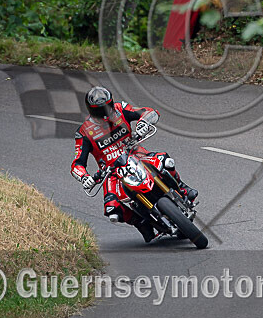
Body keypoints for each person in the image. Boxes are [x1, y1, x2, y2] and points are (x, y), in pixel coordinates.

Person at [71, 86, 197, 242]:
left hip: (137, 155)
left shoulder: (121, 109)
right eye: (99, 110)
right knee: (112, 209)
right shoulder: (83, 132)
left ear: (111, 103)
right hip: (112, 172)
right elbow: (77, 164)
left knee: (165, 161)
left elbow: (149, 112)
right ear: (91, 110)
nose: (105, 113)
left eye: (107, 107)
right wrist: (84, 177)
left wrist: (143, 122)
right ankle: (140, 222)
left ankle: (183, 188)